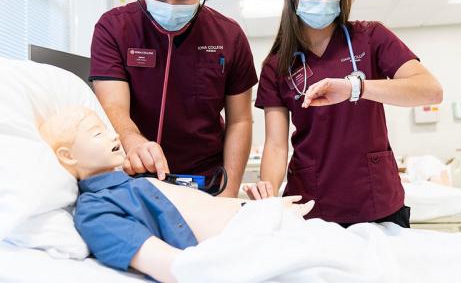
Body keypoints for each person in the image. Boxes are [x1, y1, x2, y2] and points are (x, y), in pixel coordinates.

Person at [244, 0, 443, 227]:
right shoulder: (277, 65)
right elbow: (276, 145)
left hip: (376, 200)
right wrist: (268, 189)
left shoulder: (371, 37)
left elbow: (430, 90)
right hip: (312, 202)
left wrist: (356, 88)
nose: (323, 2)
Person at [38, 106, 314, 283]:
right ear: (67, 156)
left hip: (269, 225)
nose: (114, 138)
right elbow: (175, 267)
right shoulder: (96, 211)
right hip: (253, 246)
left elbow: (199, 208)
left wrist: (261, 208)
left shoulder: (131, 182)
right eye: (97, 133)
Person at [89, 0, 257, 197]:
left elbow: (240, 120)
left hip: (207, 183)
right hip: (138, 177)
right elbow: (114, 107)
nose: (171, 8)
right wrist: (133, 141)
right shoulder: (114, 29)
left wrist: (228, 194)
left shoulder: (229, 36)